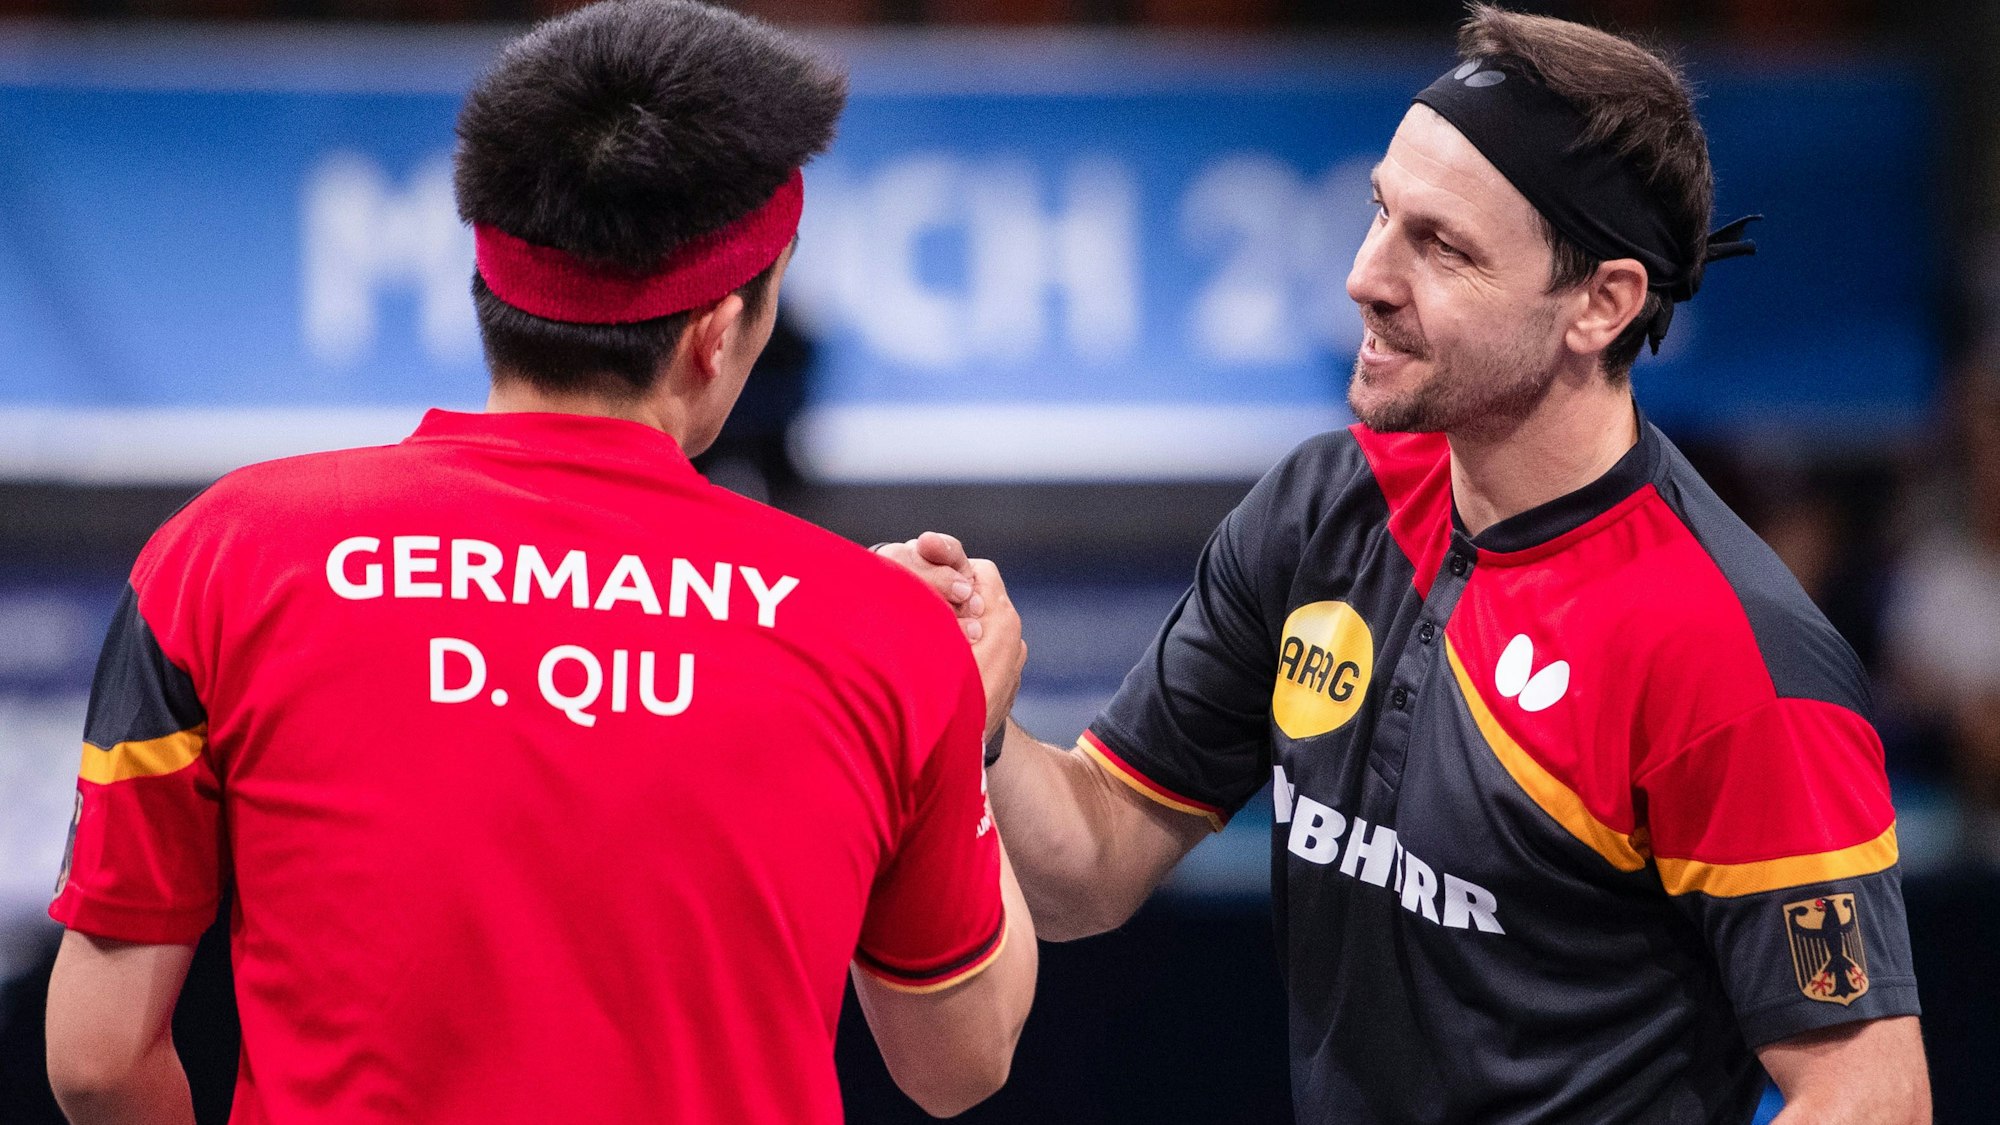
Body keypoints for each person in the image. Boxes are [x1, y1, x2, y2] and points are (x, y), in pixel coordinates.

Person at [888, 6, 1928, 1122]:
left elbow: (1866, 1094)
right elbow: (1084, 870)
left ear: (1601, 303)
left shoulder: (1732, 655)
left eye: (1441, 247)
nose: (1362, 276)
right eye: (1379, 211)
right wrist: (976, 718)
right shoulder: (1324, 507)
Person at [41, 3, 1035, 1122]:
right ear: (719, 331)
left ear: (490, 276)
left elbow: (96, 1060)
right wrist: (969, 727)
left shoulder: (223, 560)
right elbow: (960, 1059)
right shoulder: (881, 633)